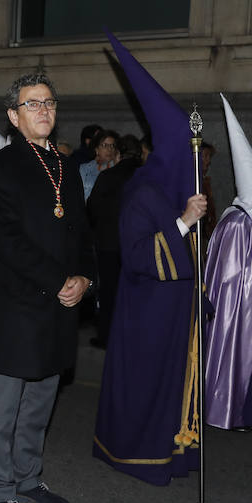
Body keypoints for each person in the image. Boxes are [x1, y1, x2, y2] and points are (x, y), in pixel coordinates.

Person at [0, 73, 94, 503]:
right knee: (6, 402)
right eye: (32, 105)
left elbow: (83, 232)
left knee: (43, 396)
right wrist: (60, 279)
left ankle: (28, 477)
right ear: (13, 116)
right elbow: (8, 242)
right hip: (19, 302)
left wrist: (85, 278)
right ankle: (0, 490)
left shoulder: (65, 167)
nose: (43, 111)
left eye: (48, 103)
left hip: (61, 302)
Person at [93, 31, 205, 486]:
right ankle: (136, 453)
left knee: (172, 385)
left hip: (177, 308)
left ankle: (175, 452)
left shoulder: (182, 188)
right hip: (147, 310)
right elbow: (139, 254)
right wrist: (183, 221)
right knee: (146, 384)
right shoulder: (141, 190)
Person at [204, 94, 252, 430]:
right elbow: (235, 276)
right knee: (237, 354)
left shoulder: (247, 219)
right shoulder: (239, 222)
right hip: (240, 308)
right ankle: (228, 408)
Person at [86, 134, 144, 347]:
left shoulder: (108, 176)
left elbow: (92, 207)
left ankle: (107, 337)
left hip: (109, 244)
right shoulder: (146, 176)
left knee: (109, 292)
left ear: (118, 153)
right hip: (140, 244)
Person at [79, 129, 119, 201]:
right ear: (96, 149)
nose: (109, 149)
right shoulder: (85, 169)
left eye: (112, 145)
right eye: (104, 145)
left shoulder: (118, 168)